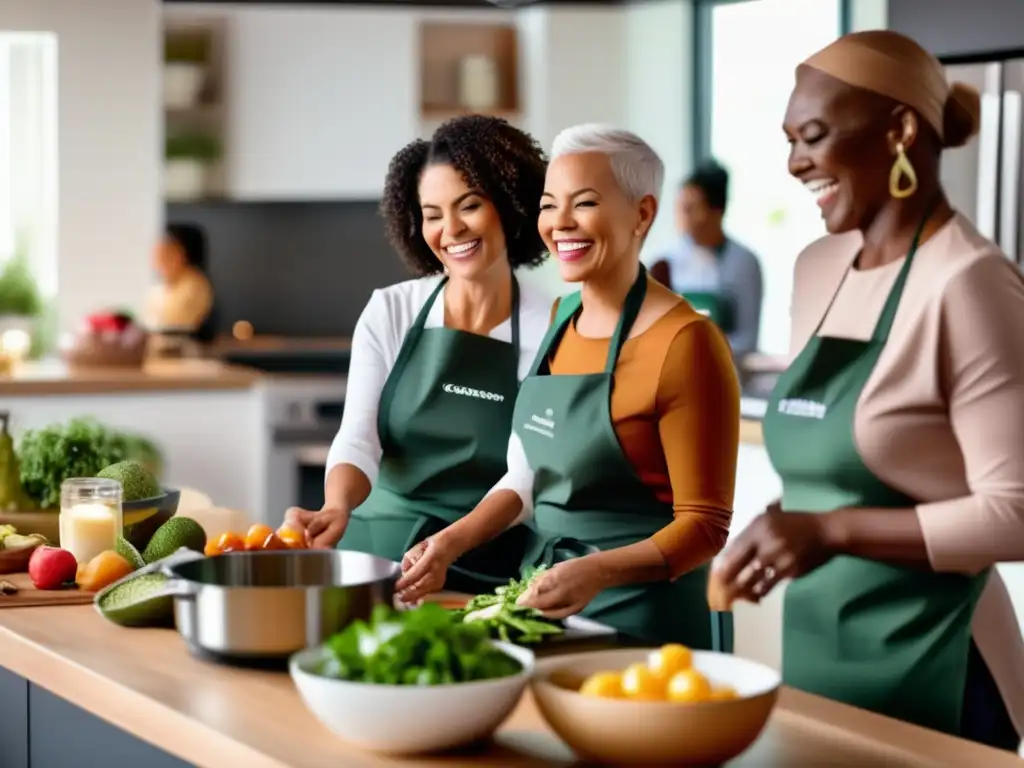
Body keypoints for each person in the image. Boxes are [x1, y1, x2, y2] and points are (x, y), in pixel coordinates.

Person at [709, 30, 1024, 750]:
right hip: (823, 660)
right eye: (789, 140)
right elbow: (853, 464)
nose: (794, 164)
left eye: (813, 137)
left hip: (942, 665)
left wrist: (829, 531)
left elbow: (1016, 514)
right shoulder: (818, 266)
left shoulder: (970, 282)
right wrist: (782, 525)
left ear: (901, 130)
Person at [397, 125, 740, 647]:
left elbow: (705, 527)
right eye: (549, 205)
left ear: (642, 214)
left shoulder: (687, 342)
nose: (559, 224)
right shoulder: (562, 316)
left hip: (644, 627)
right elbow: (529, 478)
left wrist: (599, 571)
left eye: (583, 203)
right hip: (545, 607)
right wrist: (448, 543)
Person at [283, 115, 554, 595]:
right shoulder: (391, 309)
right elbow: (358, 439)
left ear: (509, 207)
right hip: (374, 554)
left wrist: (450, 543)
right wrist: (336, 507)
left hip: (481, 565)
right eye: (432, 214)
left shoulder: (551, 323)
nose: (451, 229)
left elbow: (527, 475)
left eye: (469, 206)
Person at [649, 161, 763, 357]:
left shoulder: (743, 262)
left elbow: (747, 339)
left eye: (690, 208)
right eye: (680, 207)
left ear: (716, 211)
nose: (681, 216)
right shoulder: (664, 264)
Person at [144, 223, 215, 337]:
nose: (160, 260)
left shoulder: (195, 286)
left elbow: (171, 324)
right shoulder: (162, 287)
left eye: (168, 253)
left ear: (185, 254)